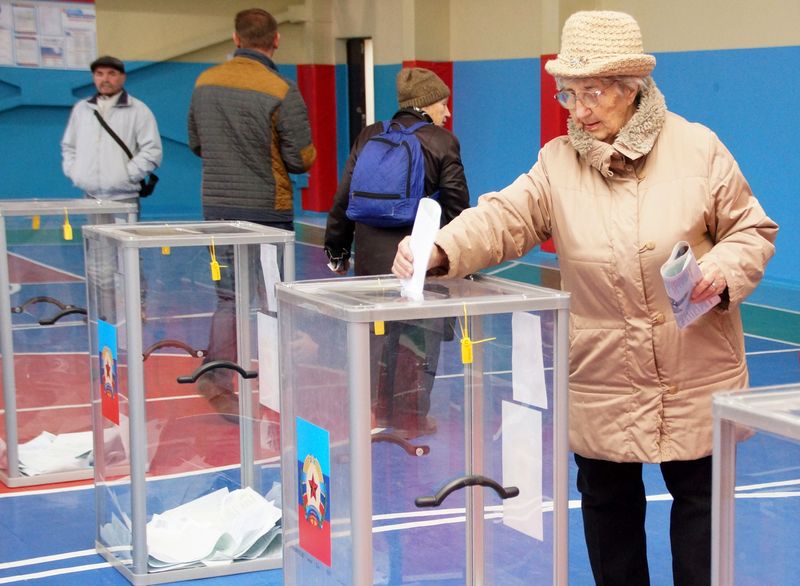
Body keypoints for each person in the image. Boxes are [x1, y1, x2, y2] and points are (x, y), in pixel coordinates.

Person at [392, 11, 777, 585]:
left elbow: (751, 230)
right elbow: (504, 218)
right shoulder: (557, 163)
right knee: (607, 510)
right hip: (603, 376)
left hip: (693, 370)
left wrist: (721, 271)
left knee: (701, 509)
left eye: (592, 91)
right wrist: (440, 249)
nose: (578, 109)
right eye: (568, 93)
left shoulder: (699, 149)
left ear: (631, 87)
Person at [325, 67, 469, 438]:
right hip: (418, 260)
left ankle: (379, 412)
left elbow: (344, 197)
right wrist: (463, 258)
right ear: (426, 104)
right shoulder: (442, 142)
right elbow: (457, 207)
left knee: (378, 338)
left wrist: (337, 249)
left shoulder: (370, 135)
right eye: (443, 104)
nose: (447, 112)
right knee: (418, 339)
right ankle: (410, 418)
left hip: (370, 259)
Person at [187, 8, 316, 416]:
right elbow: (301, 158)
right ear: (276, 40)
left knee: (229, 297)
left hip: (218, 209)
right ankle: (278, 385)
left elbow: (196, 142)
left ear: (235, 38)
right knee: (273, 299)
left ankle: (216, 379)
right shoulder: (281, 89)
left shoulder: (205, 82)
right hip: (267, 210)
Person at [61, 55, 162, 216]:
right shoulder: (82, 109)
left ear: (123, 77)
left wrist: (126, 176)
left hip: (124, 198)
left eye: (111, 73)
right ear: (94, 77)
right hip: (90, 197)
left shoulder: (138, 110)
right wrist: (76, 173)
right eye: (99, 74)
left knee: (123, 234)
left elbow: (152, 151)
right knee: (92, 234)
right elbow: (69, 146)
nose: (105, 79)